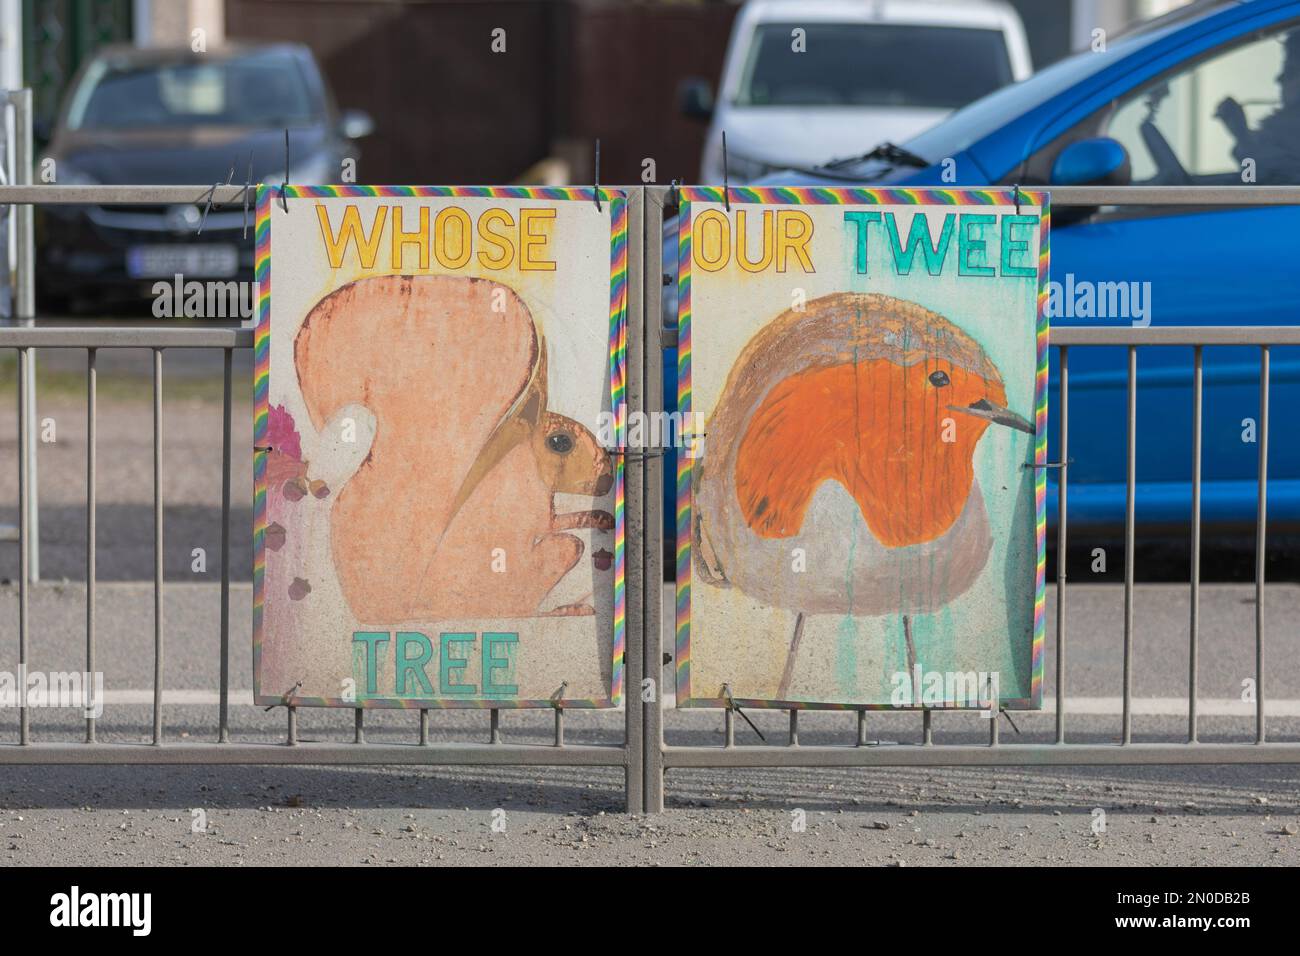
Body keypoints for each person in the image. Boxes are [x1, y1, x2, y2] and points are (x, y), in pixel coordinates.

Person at [1215, 29, 1300, 182]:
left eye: (1290, 71)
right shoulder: (1286, 131)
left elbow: (1256, 180)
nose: (1278, 79)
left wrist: (1241, 134)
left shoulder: (1292, 134)